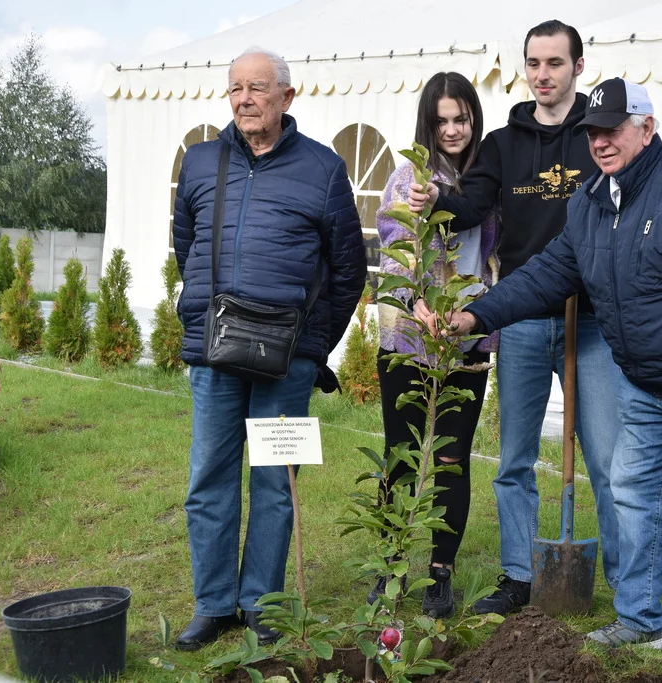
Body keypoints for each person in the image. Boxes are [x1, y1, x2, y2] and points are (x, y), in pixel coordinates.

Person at [416, 78, 662, 680]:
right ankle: (640, 621)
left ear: (647, 125)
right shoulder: (592, 201)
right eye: (593, 131)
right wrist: (471, 316)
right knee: (634, 499)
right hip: (641, 382)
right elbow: (546, 274)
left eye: (614, 128)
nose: (602, 141)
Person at [407, 19, 621, 616]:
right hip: (525, 316)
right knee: (515, 460)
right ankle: (518, 577)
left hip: (596, 323)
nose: (543, 75)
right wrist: (439, 201)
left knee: (606, 459)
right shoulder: (503, 144)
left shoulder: (597, 137)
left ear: (579, 66)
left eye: (555, 63)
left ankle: (625, 585)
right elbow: (474, 202)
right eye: (534, 63)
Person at [172, 47, 366, 650]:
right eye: (235, 89)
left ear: (287, 95)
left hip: (288, 358)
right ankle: (213, 604)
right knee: (209, 477)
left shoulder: (326, 169)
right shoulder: (201, 162)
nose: (245, 99)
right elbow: (186, 246)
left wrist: (313, 348)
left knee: (274, 480)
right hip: (214, 350)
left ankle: (261, 601)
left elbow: (348, 270)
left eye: (258, 88)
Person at [371, 72, 500, 618]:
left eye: (462, 118)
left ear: (473, 118)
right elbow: (395, 243)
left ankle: (439, 575)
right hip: (408, 338)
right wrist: (419, 302)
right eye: (442, 120)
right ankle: (389, 563)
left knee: (451, 458)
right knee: (402, 456)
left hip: (467, 339)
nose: (452, 129)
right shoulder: (409, 180)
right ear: (428, 123)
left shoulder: (486, 183)